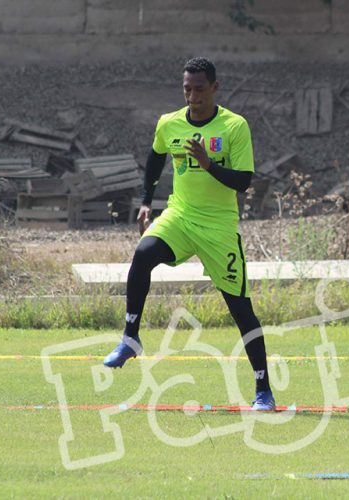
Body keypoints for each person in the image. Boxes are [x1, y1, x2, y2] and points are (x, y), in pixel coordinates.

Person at [103, 57, 275, 411]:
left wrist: (210, 164)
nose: (192, 96)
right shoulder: (169, 123)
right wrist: (147, 201)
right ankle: (130, 338)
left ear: (214, 88)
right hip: (180, 217)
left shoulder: (233, 126)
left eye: (199, 89)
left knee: (242, 310)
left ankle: (263, 391)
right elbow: (154, 159)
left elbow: (243, 182)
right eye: (187, 89)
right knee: (142, 254)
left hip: (218, 228)